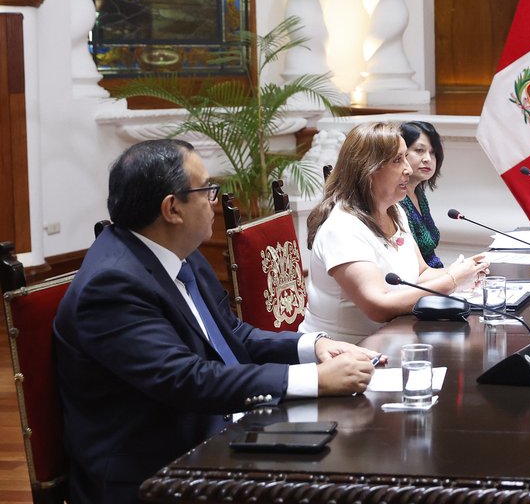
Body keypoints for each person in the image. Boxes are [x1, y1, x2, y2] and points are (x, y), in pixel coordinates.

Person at [54, 139, 378, 504]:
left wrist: (313, 346)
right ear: (172, 208)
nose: (215, 200)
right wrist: (313, 379)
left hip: (219, 428)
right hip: (158, 470)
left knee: (351, 452)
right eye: (207, 189)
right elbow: (185, 378)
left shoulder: (179, 252)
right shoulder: (112, 285)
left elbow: (231, 334)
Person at [300, 122, 488, 342]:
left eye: (405, 158)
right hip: (343, 350)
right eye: (398, 160)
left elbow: (420, 274)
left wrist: (466, 271)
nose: (408, 169)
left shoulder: (395, 210)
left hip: (391, 340)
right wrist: (450, 281)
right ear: (369, 169)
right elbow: (378, 307)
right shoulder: (342, 228)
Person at [400, 121, 445, 269]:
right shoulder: (396, 201)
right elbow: (410, 263)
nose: (428, 159)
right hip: (417, 277)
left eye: (432, 152)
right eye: (419, 150)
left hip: (434, 274)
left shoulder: (419, 194)